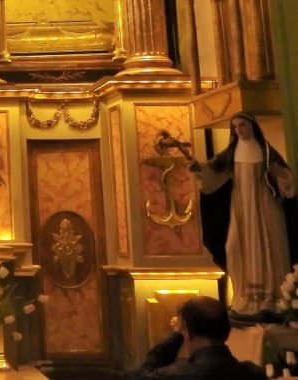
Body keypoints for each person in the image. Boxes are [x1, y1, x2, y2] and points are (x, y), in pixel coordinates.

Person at [191, 112, 298, 316]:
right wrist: (199, 169)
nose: (240, 130)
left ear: (253, 127)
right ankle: (244, 296)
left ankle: (270, 297)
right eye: (236, 127)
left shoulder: (267, 152)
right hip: (241, 208)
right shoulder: (232, 152)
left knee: (267, 246)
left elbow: (288, 182)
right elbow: (214, 175)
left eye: (243, 125)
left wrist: (284, 176)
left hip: (265, 207)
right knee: (235, 247)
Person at [125, 296, 266, 379]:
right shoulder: (254, 374)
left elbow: (139, 375)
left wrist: (176, 334)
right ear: (228, 330)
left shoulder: (173, 376)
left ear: (186, 330)